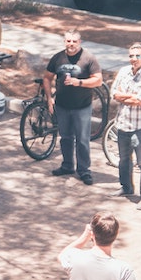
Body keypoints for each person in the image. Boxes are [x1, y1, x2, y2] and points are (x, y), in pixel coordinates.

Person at [43, 29, 102, 186]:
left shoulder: (88, 58)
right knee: (66, 138)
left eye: (74, 41)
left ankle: (84, 171)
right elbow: (47, 78)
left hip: (82, 107)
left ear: (79, 42)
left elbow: (98, 80)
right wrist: (49, 99)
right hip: (62, 106)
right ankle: (67, 166)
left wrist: (80, 83)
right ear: (64, 42)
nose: (71, 44)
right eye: (68, 41)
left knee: (82, 140)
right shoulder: (58, 58)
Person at [109, 44, 141, 210]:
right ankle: (126, 187)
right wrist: (131, 96)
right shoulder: (123, 71)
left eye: (137, 56)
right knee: (124, 159)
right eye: (131, 56)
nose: (134, 59)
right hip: (123, 123)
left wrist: (125, 96)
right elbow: (114, 93)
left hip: (140, 127)